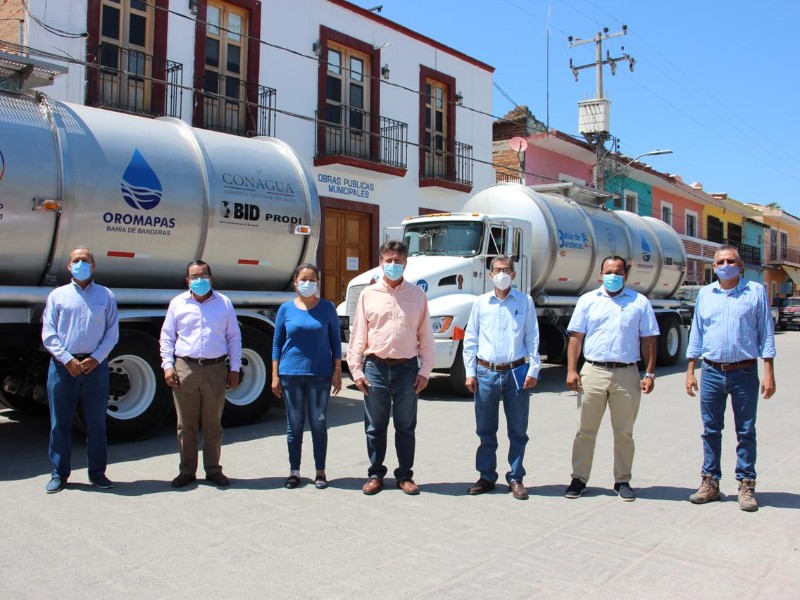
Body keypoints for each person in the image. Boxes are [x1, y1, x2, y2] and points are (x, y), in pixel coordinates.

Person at [685, 245, 775, 512]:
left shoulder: (755, 292)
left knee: (745, 431)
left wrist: (768, 372)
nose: (726, 265)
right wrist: (690, 370)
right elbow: (697, 332)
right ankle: (710, 482)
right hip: (711, 372)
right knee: (710, 430)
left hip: (744, 372)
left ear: (741, 265)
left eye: (731, 261)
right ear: (714, 267)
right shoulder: (705, 294)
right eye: (721, 262)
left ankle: (746, 484)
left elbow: (766, 332)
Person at [564, 255, 659, 502]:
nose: (613, 276)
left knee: (624, 433)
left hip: (626, 374)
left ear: (626, 275)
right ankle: (579, 478)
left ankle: (622, 480)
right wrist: (572, 370)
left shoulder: (639, 302)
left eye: (618, 272)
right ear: (600, 274)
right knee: (584, 431)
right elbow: (576, 337)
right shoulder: (588, 301)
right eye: (608, 272)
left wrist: (649, 373)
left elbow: (649, 340)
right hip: (593, 372)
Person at [347, 240, 436, 496]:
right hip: (374, 367)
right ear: (381, 263)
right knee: (375, 426)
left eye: (398, 261)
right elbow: (358, 334)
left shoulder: (417, 295)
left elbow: (425, 336)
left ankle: (405, 476)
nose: (393, 265)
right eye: (389, 261)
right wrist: (356, 370)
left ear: (406, 263)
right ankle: (375, 474)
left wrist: (425, 371)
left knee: (405, 426)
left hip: (407, 369)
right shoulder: (368, 294)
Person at [42, 246, 119, 493]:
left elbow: (112, 333)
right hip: (63, 366)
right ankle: (59, 473)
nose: (80, 264)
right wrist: (67, 360)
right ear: (69, 266)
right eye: (76, 260)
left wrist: (95, 359)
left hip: (95, 367)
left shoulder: (106, 295)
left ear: (93, 265)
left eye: (85, 260)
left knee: (96, 423)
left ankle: (98, 473)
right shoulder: (58, 296)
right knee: (60, 423)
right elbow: (48, 332)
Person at [463, 255, 540, 500]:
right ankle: (486, 476)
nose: (501, 274)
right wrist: (470, 372)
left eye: (506, 270)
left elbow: (533, 337)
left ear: (513, 274)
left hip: (516, 372)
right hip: (486, 372)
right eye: (497, 270)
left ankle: (515, 477)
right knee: (485, 429)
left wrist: (534, 370)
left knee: (518, 430)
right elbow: (471, 339)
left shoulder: (525, 302)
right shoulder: (481, 303)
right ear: (490, 275)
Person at [160, 260, 242, 489]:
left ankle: (213, 470)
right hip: (185, 368)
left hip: (216, 369)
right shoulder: (178, 303)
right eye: (194, 277)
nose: (199, 280)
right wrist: (168, 366)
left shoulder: (224, 303)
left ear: (211, 278)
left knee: (212, 424)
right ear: (187, 280)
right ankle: (187, 471)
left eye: (203, 276)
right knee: (185, 425)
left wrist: (234, 368)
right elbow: (167, 337)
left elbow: (233, 337)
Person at [271, 264, 342, 490]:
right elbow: (277, 343)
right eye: (303, 279)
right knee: (294, 425)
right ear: (295, 281)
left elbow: (335, 341)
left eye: (312, 279)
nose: (308, 283)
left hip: (320, 374)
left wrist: (337, 371)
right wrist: (274, 375)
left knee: (319, 424)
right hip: (290, 374)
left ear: (318, 283)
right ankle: (294, 472)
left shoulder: (327, 308)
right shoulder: (285, 309)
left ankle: (320, 471)